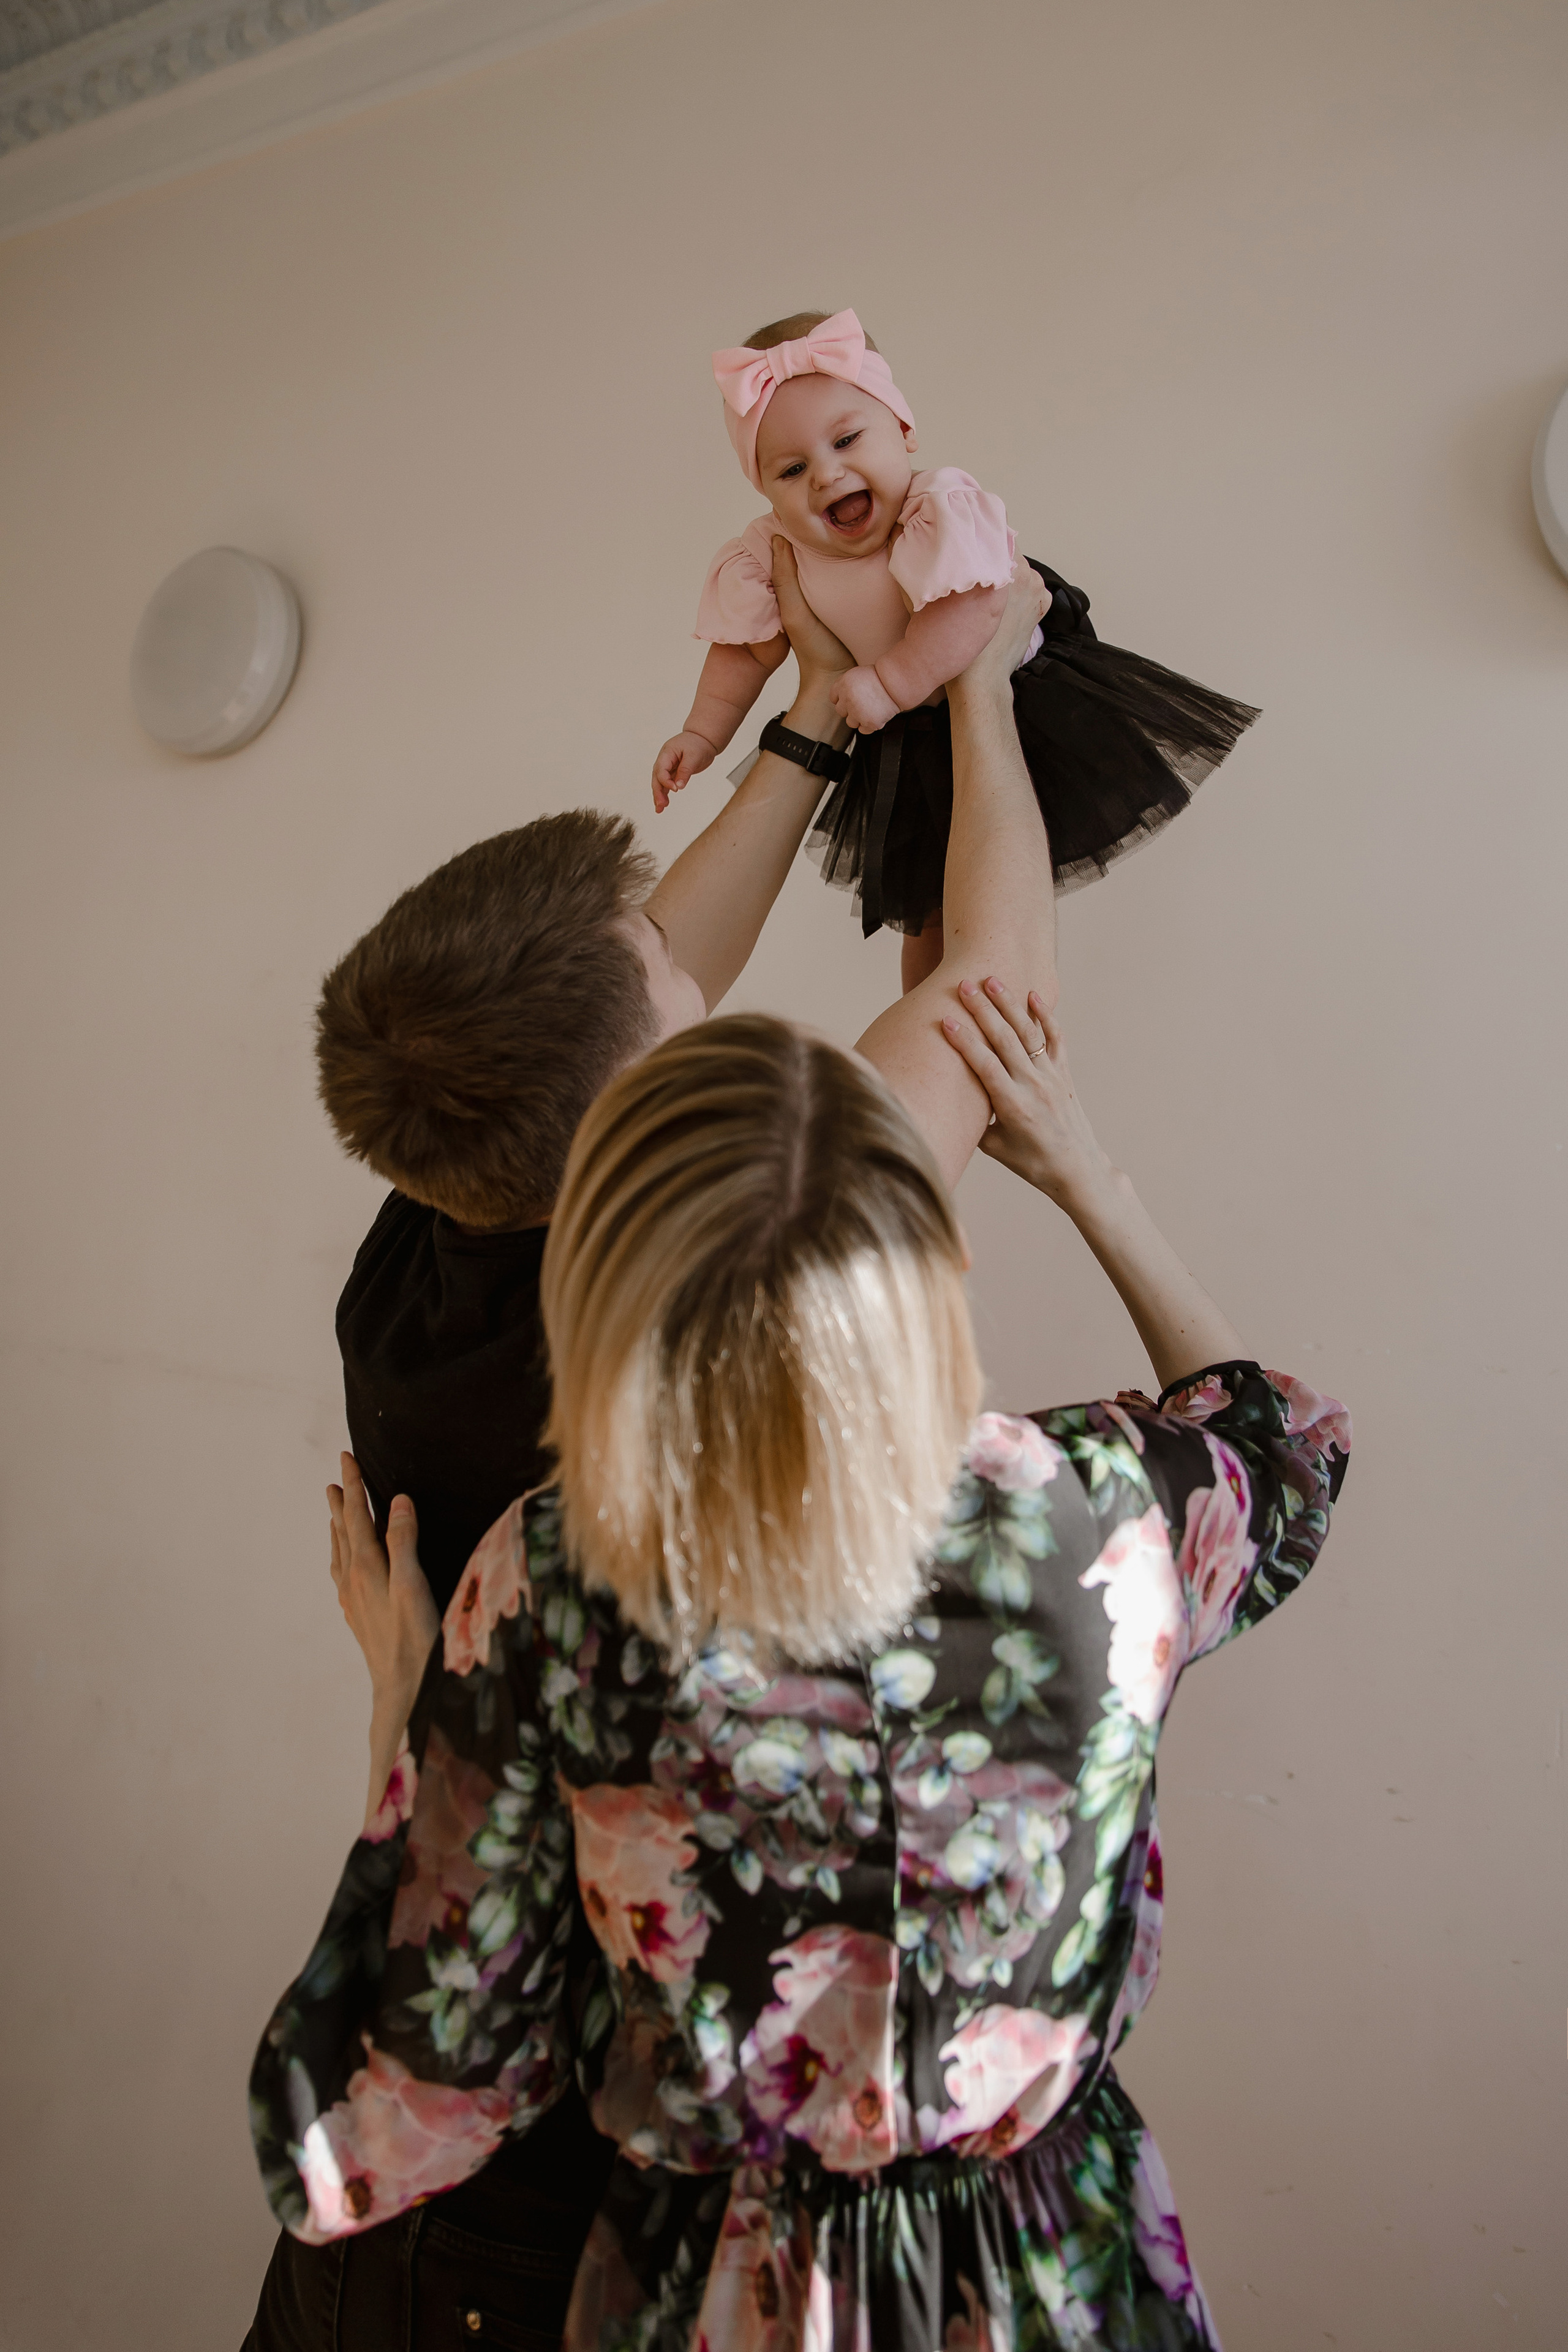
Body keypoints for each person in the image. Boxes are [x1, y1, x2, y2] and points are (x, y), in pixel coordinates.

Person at [250, 986, 1348, 2350]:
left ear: (606, 1294)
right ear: (925, 1266)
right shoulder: (1104, 1506)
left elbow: (375, 2113)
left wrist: (409, 1709)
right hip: (1067, 2274)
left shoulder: (557, 1581)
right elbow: (1286, 1450)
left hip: (731, 2295)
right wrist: (1086, 1174)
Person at [243, 553, 1057, 2348]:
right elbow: (982, 1002)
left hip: (404, 2112)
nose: (691, 974)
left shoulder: (424, 1245)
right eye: (663, 984)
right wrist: (978, 667)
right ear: (618, 1109)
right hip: (555, 2179)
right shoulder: (688, 1312)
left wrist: (820, 728)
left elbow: (637, 976)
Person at [652, 307, 1258, 982]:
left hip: (1021, 703)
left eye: (848, 439)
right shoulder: (772, 550)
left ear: (903, 430)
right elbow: (747, 649)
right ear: (762, 489)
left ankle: (996, 1002)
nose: (825, 474)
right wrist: (701, 733)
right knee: (934, 904)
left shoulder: (935, 508)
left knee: (996, 879)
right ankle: (930, 1011)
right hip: (910, 734)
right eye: (791, 470)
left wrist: (888, 683)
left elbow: (971, 610)